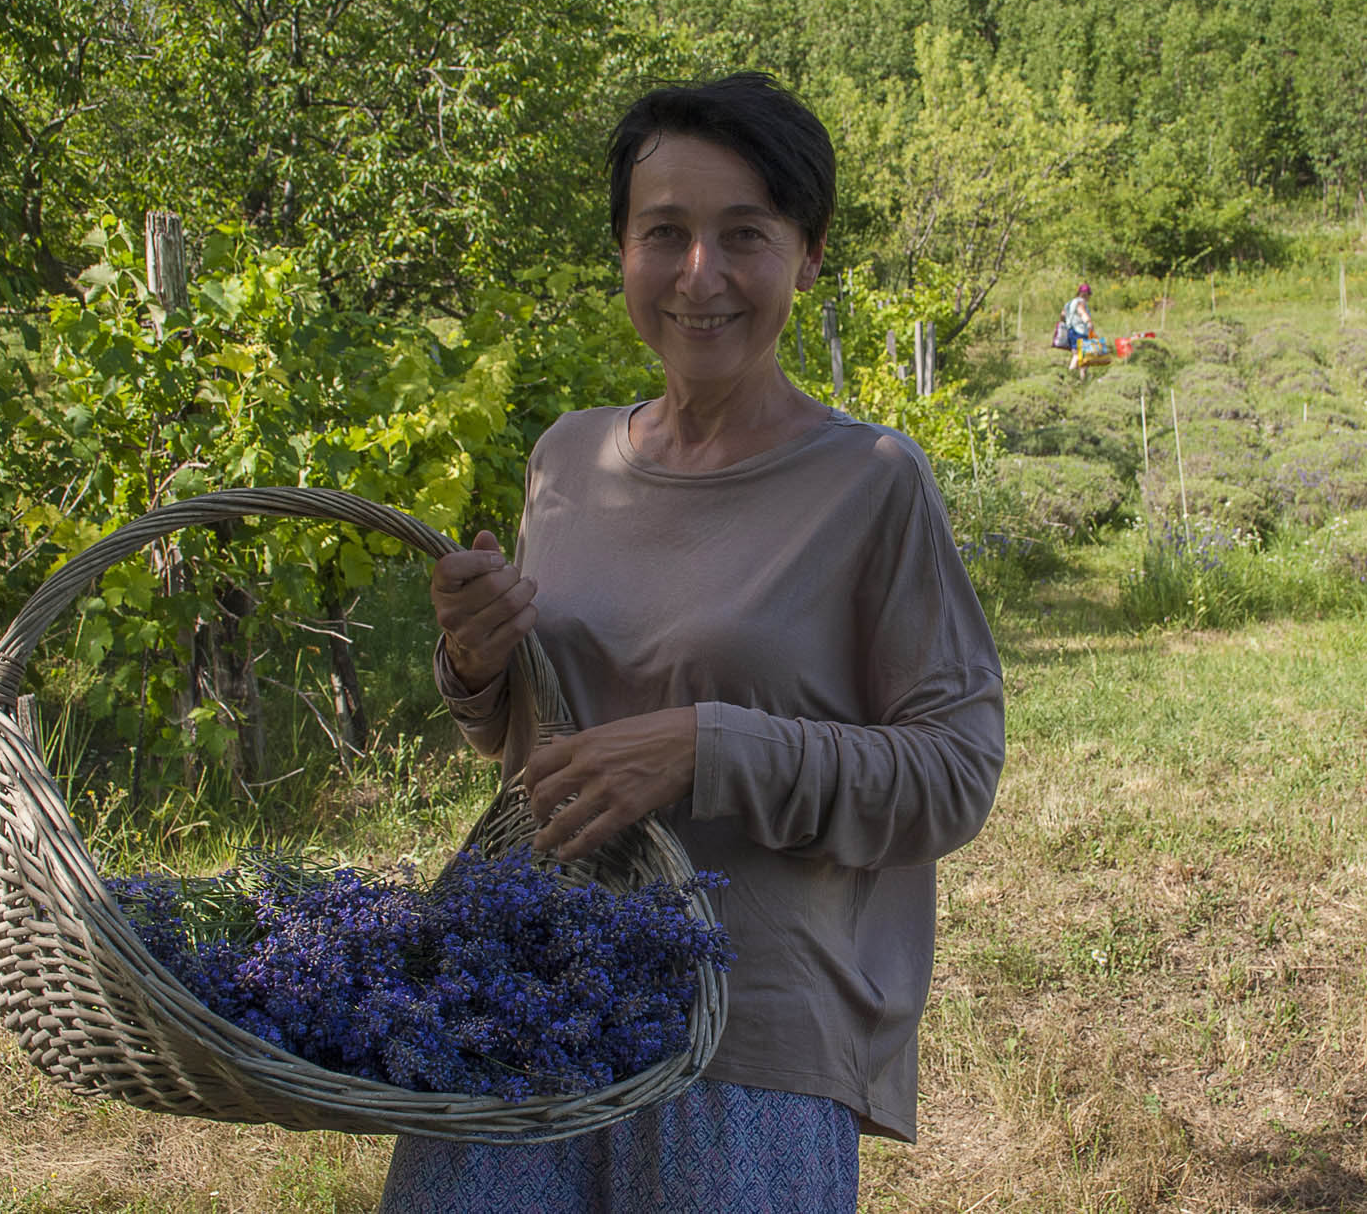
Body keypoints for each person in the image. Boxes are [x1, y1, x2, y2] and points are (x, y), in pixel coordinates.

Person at [379, 72, 1005, 1213]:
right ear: (623, 249)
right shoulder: (567, 460)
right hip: (527, 996)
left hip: (746, 1028)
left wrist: (708, 747)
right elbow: (537, 743)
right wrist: (473, 661)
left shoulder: (870, 483)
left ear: (809, 254)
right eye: (664, 232)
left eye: (744, 235)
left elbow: (956, 771)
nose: (699, 274)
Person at [1065, 282, 1096, 372]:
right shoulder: (1080, 302)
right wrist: (1089, 322)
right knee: (1083, 355)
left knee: (1076, 354)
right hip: (1080, 331)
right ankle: (1081, 377)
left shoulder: (1069, 303)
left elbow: (1062, 315)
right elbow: (1081, 311)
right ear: (1087, 294)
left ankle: (1072, 375)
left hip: (1071, 331)